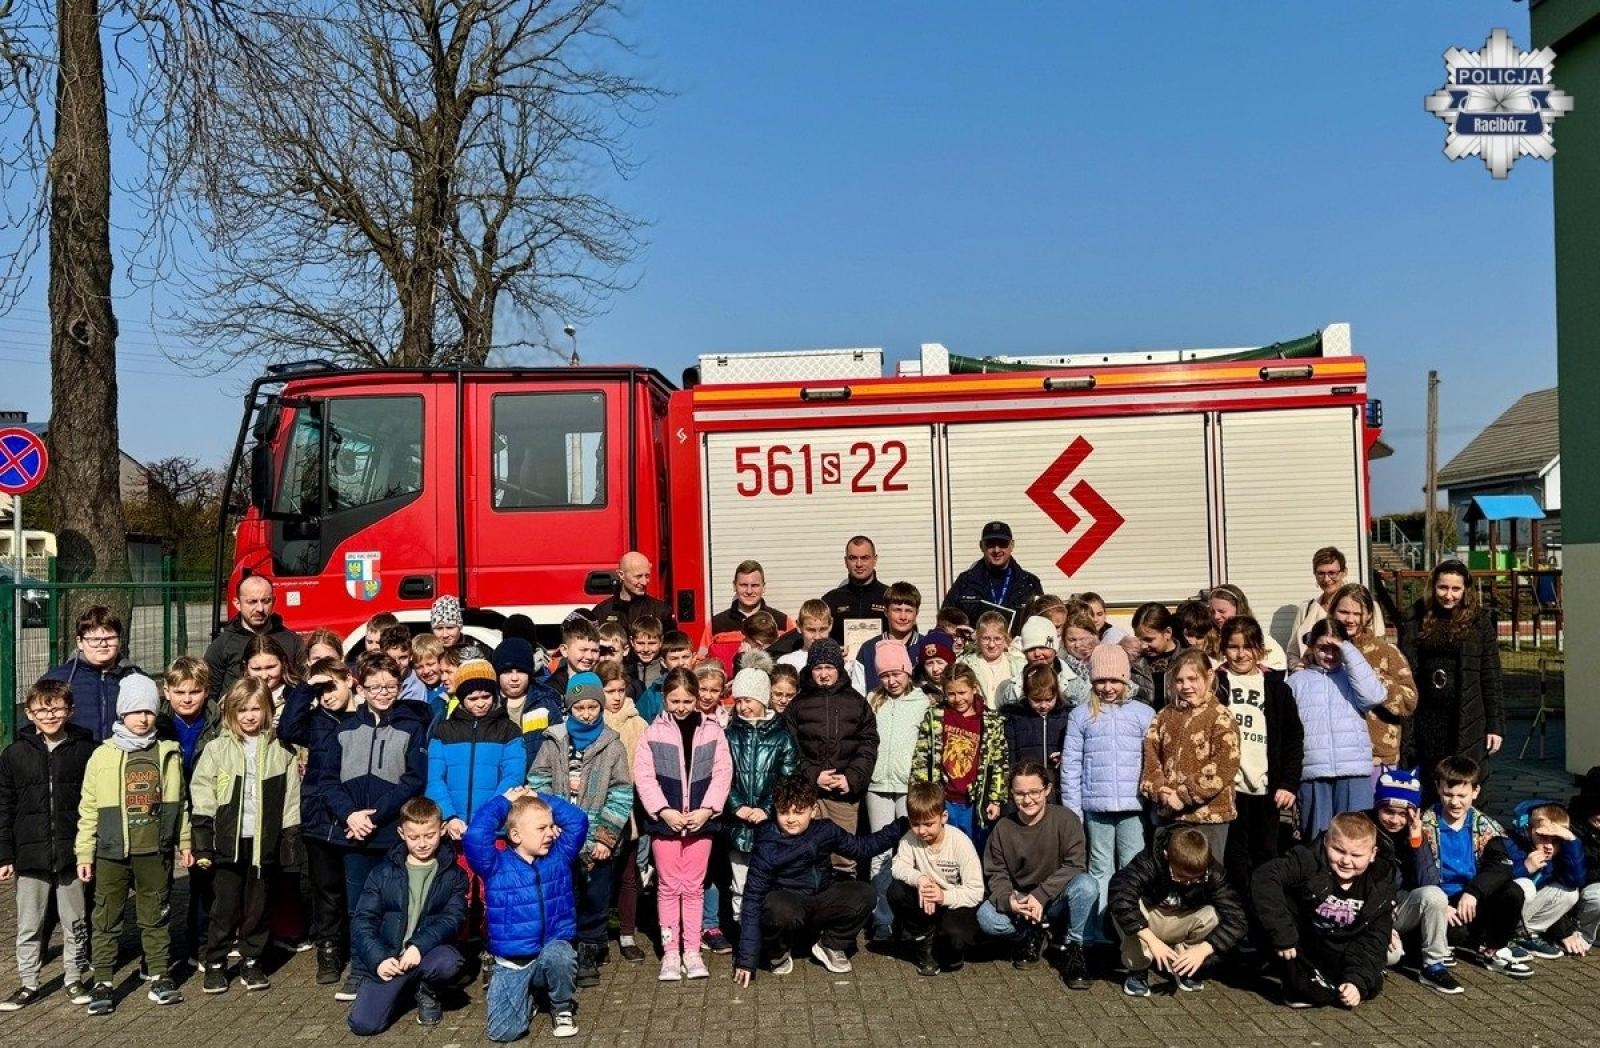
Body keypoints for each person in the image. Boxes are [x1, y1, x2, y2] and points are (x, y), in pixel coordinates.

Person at [76, 674, 192, 1014]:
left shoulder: (167, 753)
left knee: (155, 916)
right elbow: (88, 808)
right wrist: (85, 852)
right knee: (106, 918)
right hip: (111, 852)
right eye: (135, 711)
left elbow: (181, 803)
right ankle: (103, 982)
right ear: (121, 713)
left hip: (154, 851)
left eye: (150, 711)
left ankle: (158, 975)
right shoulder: (102, 755)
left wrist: (184, 841)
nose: (143, 718)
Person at [323, 654, 432, 1002]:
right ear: (360, 686)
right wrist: (350, 816)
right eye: (374, 686)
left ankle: (397, 965)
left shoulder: (411, 726)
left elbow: (413, 779)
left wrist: (378, 814)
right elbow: (328, 781)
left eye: (390, 686)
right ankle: (360, 968)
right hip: (354, 833)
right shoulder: (344, 730)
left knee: (395, 903)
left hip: (389, 832)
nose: (383, 692)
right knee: (359, 907)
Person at [731, 777, 905, 984]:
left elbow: (862, 848)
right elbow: (751, 899)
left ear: (813, 810)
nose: (790, 819)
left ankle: (830, 945)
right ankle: (777, 953)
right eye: (784, 812)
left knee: (865, 893)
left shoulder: (825, 830)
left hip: (820, 898)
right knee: (775, 908)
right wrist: (746, 960)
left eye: (798, 812)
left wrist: (902, 825)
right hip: (788, 903)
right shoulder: (767, 843)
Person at [190, 677, 300, 993]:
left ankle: (252, 961)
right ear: (231, 714)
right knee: (223, 908)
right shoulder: (217, 749)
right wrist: (202, 842)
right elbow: (203, 794)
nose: (250, 716)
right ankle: (215, 963)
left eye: (256, 709)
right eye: (243, 710)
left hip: (263, 843)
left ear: (267, 710)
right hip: (227, 843)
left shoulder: (282, 751)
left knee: (258, 907)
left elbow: (291, 798)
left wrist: (289, 843)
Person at [526, 673, 633, 988]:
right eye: (580, 708)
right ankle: (564, 950)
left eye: (592, 707)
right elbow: (538, 779)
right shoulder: (554, 740)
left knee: (595, 898)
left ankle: (591, 949)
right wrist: (551, 822)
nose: (586, 713)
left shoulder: (611, 745)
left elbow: (621, 793)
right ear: (569, 709)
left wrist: (606, 837)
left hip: (596, 837)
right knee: (564, 895)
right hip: (559, 837)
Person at [0, 680, 97, 1011]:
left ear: (69, 710)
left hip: (72, 854)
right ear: (29, 713)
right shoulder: (14, 754)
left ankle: (73, 978)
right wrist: (5, 854)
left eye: (57, 708)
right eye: (42, 709)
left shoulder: (87, 750)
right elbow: (4, 807)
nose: (50, 714)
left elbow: (94, 802)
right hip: (30, 855)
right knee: (30, 924)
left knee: (76, 921)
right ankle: (29, 982)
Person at [632, 667, 733, 982]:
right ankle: (670, 952)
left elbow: (722, 772)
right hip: (667, 823)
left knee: (693, 887)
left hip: (701, 822)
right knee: (667, 887)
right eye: (674, 700)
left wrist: (708, 809)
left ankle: (692, 949)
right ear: (665, 699)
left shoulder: (712, 730)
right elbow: (644, 776)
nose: (681, 707)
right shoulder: (652, 733)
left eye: (687, 700)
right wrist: (663, 811)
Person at [466, 786, 588, 1041]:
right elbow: (476, 834)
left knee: (561, 955)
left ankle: (561, 1006)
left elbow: (578, 820)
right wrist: (504, 801)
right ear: (515, 834)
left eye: (550, 826)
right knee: (503, 1032)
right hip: (514, 961)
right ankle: (528, 997)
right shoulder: (495, 865)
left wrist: (538, 797)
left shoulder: (560, 857)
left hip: (550, 949)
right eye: (540, 829)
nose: (549, 834)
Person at [345, 797, 466, 1033]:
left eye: (429, 836)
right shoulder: (382, 873)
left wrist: (418, 946)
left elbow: (453, 917)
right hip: (390, 956)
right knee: (364, 1025)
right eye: (414, 837)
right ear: (401, 833)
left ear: (442, 830)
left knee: (449, 962)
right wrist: (379, 959)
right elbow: (363, 921)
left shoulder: (454, 875)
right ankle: (400, 990)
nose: (422, 843)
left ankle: (427, 989)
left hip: (426, 953)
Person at [1254, 811, 1397, 1009]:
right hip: (1304, 941)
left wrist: (1357, 981)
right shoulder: (1308, 859)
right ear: (1326, 842)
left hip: (1348, 946)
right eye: (1338, 850)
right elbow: (1265, 876)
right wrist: (1282, 934)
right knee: (1308, 993)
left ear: (1373, 854)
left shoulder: (1380, 882)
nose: (1346, 861)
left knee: (1367, 983)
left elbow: (1374, 938)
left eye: (1356, 855)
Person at [276, 657, 360, 986]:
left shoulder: (363, 719)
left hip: (355, 817)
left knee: (354, 889)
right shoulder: (315, 720)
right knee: (326, 889)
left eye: (331, 687)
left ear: (350, 680)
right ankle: (328, 948)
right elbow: (287, 729)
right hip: (320, 819)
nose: (326, 696)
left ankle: (357, 946)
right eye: (320, 690)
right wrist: (306, 689)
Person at [978, 762, 1097, 986]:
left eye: (1034, 792)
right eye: (1020, 793)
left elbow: (1075, 864)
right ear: (1011, 794)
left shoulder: (1066, 820)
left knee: (1087, 885)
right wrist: (1009, 900)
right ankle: (1031, 934)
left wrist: (1041, 895)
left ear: (1047, 790)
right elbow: (996, 872)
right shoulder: (1003, 828)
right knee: (986, 916)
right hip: (1022, 902)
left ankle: (1075, 948)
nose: (1028, 799)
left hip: (1056, 898)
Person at [1063, 644, 1154, 922]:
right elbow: (1070, 765)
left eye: (1114, 680)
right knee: (1100, 867)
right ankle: (1099, 926)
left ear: (1125, 679)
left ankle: (1129, 927)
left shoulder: (1143, 714)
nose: (1107, 687)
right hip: (1096, 805)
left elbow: (1153, 762)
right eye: (1101, 680)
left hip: (1133, 806)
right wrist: (1073, 810)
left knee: (1132, 866)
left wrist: (1152, 805)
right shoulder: (1081, 715)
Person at [1214, 617, 1303, 897]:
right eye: (1232, 647)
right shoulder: (1214, 683)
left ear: (1260, 650)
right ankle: (1238, 926)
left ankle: (1266, 921)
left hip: (1265, 788)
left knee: (1266, 857)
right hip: (1227, 790)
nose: (1240, 654)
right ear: (1223, 648)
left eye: (1248, 647)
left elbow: (1292, 738)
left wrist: (1288, 783)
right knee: (1232, 862)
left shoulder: (1276, 688)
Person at [1421, 756, 1532, 978]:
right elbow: (1417, 869)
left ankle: (1495, 949)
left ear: (1475, 791)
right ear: (1437, 788)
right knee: (1449, 927)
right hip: (1440, 902)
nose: (1455, 802)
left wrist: (1474, 892)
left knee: (1513, 891)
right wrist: (1442, 905)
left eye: (1462, 796)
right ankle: (1442, 948)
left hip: (1470, 901)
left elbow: (1500, 866)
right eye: (1448, 794)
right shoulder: (1425, 823)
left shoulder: (1484, 825)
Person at [1400, 560, 1505, 793]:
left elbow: (1491, 676)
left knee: (1463, 781)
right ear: (1432, 587)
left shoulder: (1479, 621)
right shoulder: (1414, 617)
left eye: (1455, 589)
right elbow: (1405, 671)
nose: (1449, 595)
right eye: (1443, 588)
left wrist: (1495, 725)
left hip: (1466, 717)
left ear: (1465, 589)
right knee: (1427, 780)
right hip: (1426, 717)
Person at [1109, 827, 1247, 997]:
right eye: (1181, 877)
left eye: (1197, 878)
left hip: (1181, 920)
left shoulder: (1213, 872)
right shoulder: (1150, 860)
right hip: (1150, 920)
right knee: (1127, 905)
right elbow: (1120, 892)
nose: (1189, 883)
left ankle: (1183, 963)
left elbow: (1237, 918)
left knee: (1213, 914)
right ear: (1167, 856)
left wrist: (1204, 949)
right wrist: (1152, 941)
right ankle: (1138, 969)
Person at [785, 639, 878, 875]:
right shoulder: (797, 706)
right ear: (810, 670)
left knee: (843, 859)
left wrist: (852, 778)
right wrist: (813, 775)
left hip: (842, 796)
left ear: (838, 668)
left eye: (829, 668)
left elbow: (868, 744)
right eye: (818, 668)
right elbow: (789, 750)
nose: (824, 674)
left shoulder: (857, 703)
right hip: (808, 795)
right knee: (805, 858)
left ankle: (844, 909)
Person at [1289, 619, 1386, 837]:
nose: (1330, 655)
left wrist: (1348, 649)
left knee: (1356, 836)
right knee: (1317, 838)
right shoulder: (1297, 681)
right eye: (1323, 648)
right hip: (1314, 773)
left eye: (1336, 649)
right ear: (1312, 646)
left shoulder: (1353, 679)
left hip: (1353, 771)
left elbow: (1375, 696)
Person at [1140, 649, 1240, 858]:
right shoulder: (1164, 716)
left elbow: (1224, 766)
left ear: (1209, 676)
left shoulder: (1220, 717)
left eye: (1193, 679)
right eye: (1179, 680)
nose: (1186, 686)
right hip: (1170, 815)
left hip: (1209, 817)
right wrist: (1161, 791)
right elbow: (1151, 760)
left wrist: (1184, 795)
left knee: (1205, 878)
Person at [1371, 768, 1459, 994]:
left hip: (1398, 905)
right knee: (1390, 956)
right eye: (1388, 811)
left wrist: (1416, 840)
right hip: (1368, 909)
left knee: (1435, 896)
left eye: (1403, 814)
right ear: (1377, 806)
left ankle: (1433, 965)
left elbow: (1428, 882)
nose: (1395, 820)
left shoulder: (1415, 833)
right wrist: (1381, 923)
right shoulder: (1364, 827)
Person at [864, 641, 931, 939]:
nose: (891, 681)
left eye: (896, 674)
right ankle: (882, 918)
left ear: (908, 671)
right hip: (877, 786)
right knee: (879, 853)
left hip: (909, 786)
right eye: (885, 675)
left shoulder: (923, 702)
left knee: (910, 852)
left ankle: (909, 918)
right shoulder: (873, 701)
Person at [724, 665, 799, 928]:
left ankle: (767, 932)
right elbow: (722, 777)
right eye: (739, 701)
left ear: (762, 699)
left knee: (768, 880)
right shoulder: (730, 735)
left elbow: (787, 779)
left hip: (768, 822)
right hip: (738, 822)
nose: (744, 707)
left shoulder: (782, 737)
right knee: (740, 881)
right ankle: (741, 929)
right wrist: (737, 806)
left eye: (749, 700)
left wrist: (768, 808)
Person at [888, 782, 984, 976]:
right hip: (927, 900)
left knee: (953, 948)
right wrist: (920, 878)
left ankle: (943, 941)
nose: (922, 831)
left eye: (928, 824)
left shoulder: (960, 843)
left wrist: (943, 896)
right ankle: (923, 937)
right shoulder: (909, 839)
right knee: (895, 891)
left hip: (954, 902)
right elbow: (897, 867)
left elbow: (976, 891)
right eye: (915, 824)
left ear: (943, 818)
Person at [912, 664, 1007, 849]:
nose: (957, 699)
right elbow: (922, 758)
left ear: (974, 689)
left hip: (975, 802)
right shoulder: (936, 716)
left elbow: (998, 762)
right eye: (951, 694)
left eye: (962, 692)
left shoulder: (991, 720)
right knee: (946, 848)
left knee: (975, 849)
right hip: (944, 797)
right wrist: (920, 793)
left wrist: (995, 799)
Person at [1328, 583, 1417, 780]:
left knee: (1378, 811)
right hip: (1335, 756)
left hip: (1377, 756)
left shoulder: (1386, 652)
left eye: (1357, 613)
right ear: (1332, 611)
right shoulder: (1322, 651)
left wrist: (1373, 677)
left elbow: (1408, 701)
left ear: (1368, 615)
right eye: (1343, 612)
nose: (1350, 619)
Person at [425, 663, 524, 838]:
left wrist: (488, 815)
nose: (480, 704)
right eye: (473, 699)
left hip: (495, 828)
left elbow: (512, 778)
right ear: (462, 699)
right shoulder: (443, 731)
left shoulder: (509, 730)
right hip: (452, 828)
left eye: (486, 697)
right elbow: (435, 780)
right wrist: (450, 816)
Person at [597, 661, 650, 963]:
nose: (616, 697)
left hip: (629, 812)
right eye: (609, 691)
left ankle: (627, 933)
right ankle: (599, 933)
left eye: (620, 690)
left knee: (629, 875)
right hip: (599, 813)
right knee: (599, 875)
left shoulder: (637, 723)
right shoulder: (592, 721)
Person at [38, 605, 143, 741]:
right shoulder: (56, 680)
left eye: (110, 638)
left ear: (119, 640)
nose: (103, 645)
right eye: (94, 640)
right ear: (80, 642)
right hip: (75, 757)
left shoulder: (135, 677)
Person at [1504, 801, 1587, 959]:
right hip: (1495, 913)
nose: (1549, 845)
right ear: (1528, 830)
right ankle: (1500, 937)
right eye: (1543, 837)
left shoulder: (1557, 854)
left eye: (1556, 840)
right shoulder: (1511, 844)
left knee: (1569, 893)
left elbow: (1575, 879)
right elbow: (1496, 882)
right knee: (1525, 885)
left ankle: (1523, 934)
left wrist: (1571, 841)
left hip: (1522, 912)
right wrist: (1525, 867)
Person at [203, 576, 306, 701]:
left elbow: (303, 686)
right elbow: (209, 695)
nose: (260, 609)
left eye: (266, 601)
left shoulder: (292, 641)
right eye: (252, 602)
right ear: (237, 603)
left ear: (273, 601)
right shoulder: (222, 645)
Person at [1288, 547, 1385, 671]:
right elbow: (1293, 652)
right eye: (1321, 573)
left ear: (1344, 572)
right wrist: (1299, 669)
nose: (1327, 579)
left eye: (1332, 573)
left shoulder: (1368, 607)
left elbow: (1379, 648)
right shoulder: (1306, 609)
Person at [942, 521, 1044, 628]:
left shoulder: (1030, 583)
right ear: (981, 546)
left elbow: (1043, 625)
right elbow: (944, 623)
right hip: (976, 644)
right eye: (991, 544)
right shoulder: (965, 582)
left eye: (1002, 544)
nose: (997, 550)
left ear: (1012, 545)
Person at [702, 560, 793, 669]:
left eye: (754, 585)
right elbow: (702, 662)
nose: (749, 591)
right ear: (734, 586)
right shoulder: (716, 624)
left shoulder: (783, 622)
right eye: (743, 585)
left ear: (763, 587)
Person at [1002, 661, 1073, 789]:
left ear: (1057, 693)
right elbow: (1010, 758)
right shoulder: (1015, 718)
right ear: (1026, 694)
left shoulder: (1067, 716)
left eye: (1049, 699)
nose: (1043, 705)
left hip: (1058, 786)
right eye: (1036, 700)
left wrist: (1064, 756)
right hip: (1026, 787)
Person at [495, 639, 564, 767]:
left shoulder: (546, 702)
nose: (514, 678)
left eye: (520, 671)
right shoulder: (491, 705)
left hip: (539, 781)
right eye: (507, 671)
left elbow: (560, 745)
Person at [778, 599, 869, 694]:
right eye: (811, 630)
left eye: (822, 629)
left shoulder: (847, 661)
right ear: (799, 626)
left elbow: (858, 694)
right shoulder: (787, 662)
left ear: (831, 625)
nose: (817, 637)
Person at [856, 582, 924, 693]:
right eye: (897, 610)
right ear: (886, 612)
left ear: (916, 614)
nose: (903, 617)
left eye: (909, 611)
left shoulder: (926, 646)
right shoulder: (868, 650)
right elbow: (858, 694)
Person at [821, 535, 890, 643]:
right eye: (853, 558)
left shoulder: (890, 597)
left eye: (864, 558)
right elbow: (817, 637)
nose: (859, 564)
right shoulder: (831, 600)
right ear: (845, 561)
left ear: (875, 560)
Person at [1206, 585, 1286, 671]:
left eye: (1222, 611)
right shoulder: (1207, 641)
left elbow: (1278, 670)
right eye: (1212, 612)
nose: (1216, 616)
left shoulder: (1265, 642)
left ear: (1239, 609)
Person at [592, 551, 676, 633]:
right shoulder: (601, 612)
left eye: (647, 576)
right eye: (638, 576)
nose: (644, 582)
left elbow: (672, 645)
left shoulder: (661, 612)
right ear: (621, 575)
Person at [959, 610, 1024, 704]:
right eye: (986, 638)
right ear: (977, 638)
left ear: (1005, 638)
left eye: (997, 639)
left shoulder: (1018, 665)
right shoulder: (966, 665)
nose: (991, 645)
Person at [635, 630, 696, 722]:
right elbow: (641, 724)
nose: (681, 663)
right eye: (674, 658)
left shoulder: (703, 687)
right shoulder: (653, 693)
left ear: (694, 657)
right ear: (663, 663)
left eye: (685, 657)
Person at [1128, 602, 1180, 709]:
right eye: (1139, 639)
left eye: (1149, 639)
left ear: (1167, 633)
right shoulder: (1133, 662)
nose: (1143, 645)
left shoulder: (1188, 660)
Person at [410, 633, 450, 722]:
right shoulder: (415, 691)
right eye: (419, 667)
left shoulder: (449, 688)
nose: (426, 671)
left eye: (430, 664)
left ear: (441, 661)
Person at [625, 615, 667, 692]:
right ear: (632, 642)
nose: (646, 649)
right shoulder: (625, 670)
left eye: (652, 643)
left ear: (661, 641)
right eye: (640, 643)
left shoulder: (666, 670)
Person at [916, 630, 955, 701]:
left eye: (940, 663)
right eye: (929, 664)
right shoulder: (918, 691)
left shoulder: (962, 683)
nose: (935, 669)